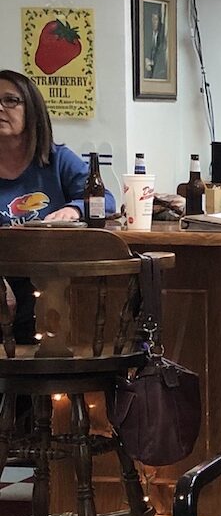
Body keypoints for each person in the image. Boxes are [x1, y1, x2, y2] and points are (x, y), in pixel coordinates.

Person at [0, 69, 117, 342]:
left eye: (10, 100)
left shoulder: (58, 160)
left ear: (33, 110)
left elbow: (106, 200)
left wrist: (75, 208)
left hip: (52, 282)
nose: (0, 108)